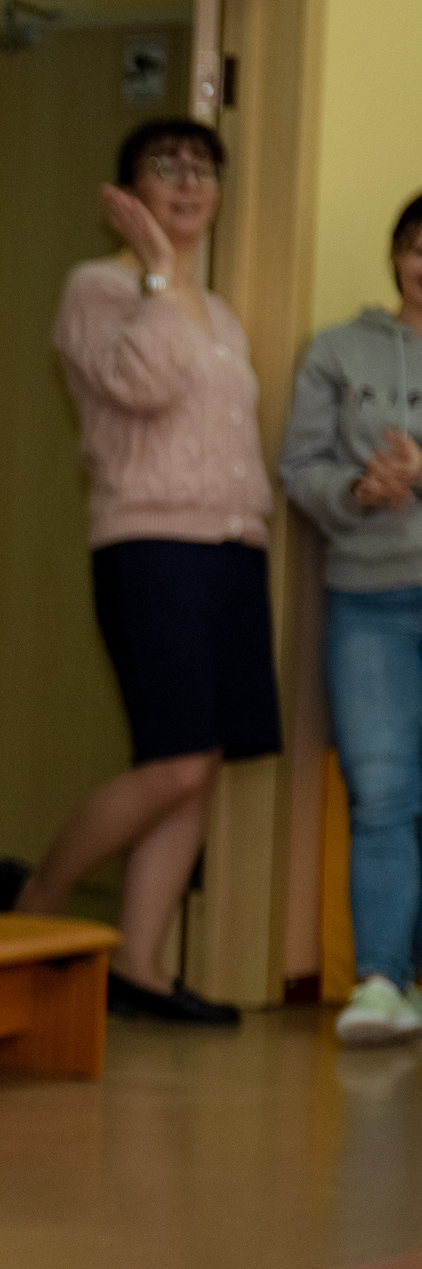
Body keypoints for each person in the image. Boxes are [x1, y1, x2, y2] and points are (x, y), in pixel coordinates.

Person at [3, 118, 277, 1025]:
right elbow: (143, 387)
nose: (189, 183)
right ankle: (38, 900)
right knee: (174, 760)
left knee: (196, 766)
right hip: (149, 546)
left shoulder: (221, 310)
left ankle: (143, 967)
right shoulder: (101, 287)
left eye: (203, 169)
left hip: (233, 548)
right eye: (167, 167)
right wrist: (158, 273)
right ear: (127, 194)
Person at [280, 193, 422, 1044]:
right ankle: (381, 982)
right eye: (413, 246)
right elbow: (300, 465)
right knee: (382, 792)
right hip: (369, 596)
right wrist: (355, 490)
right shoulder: (338, 349)